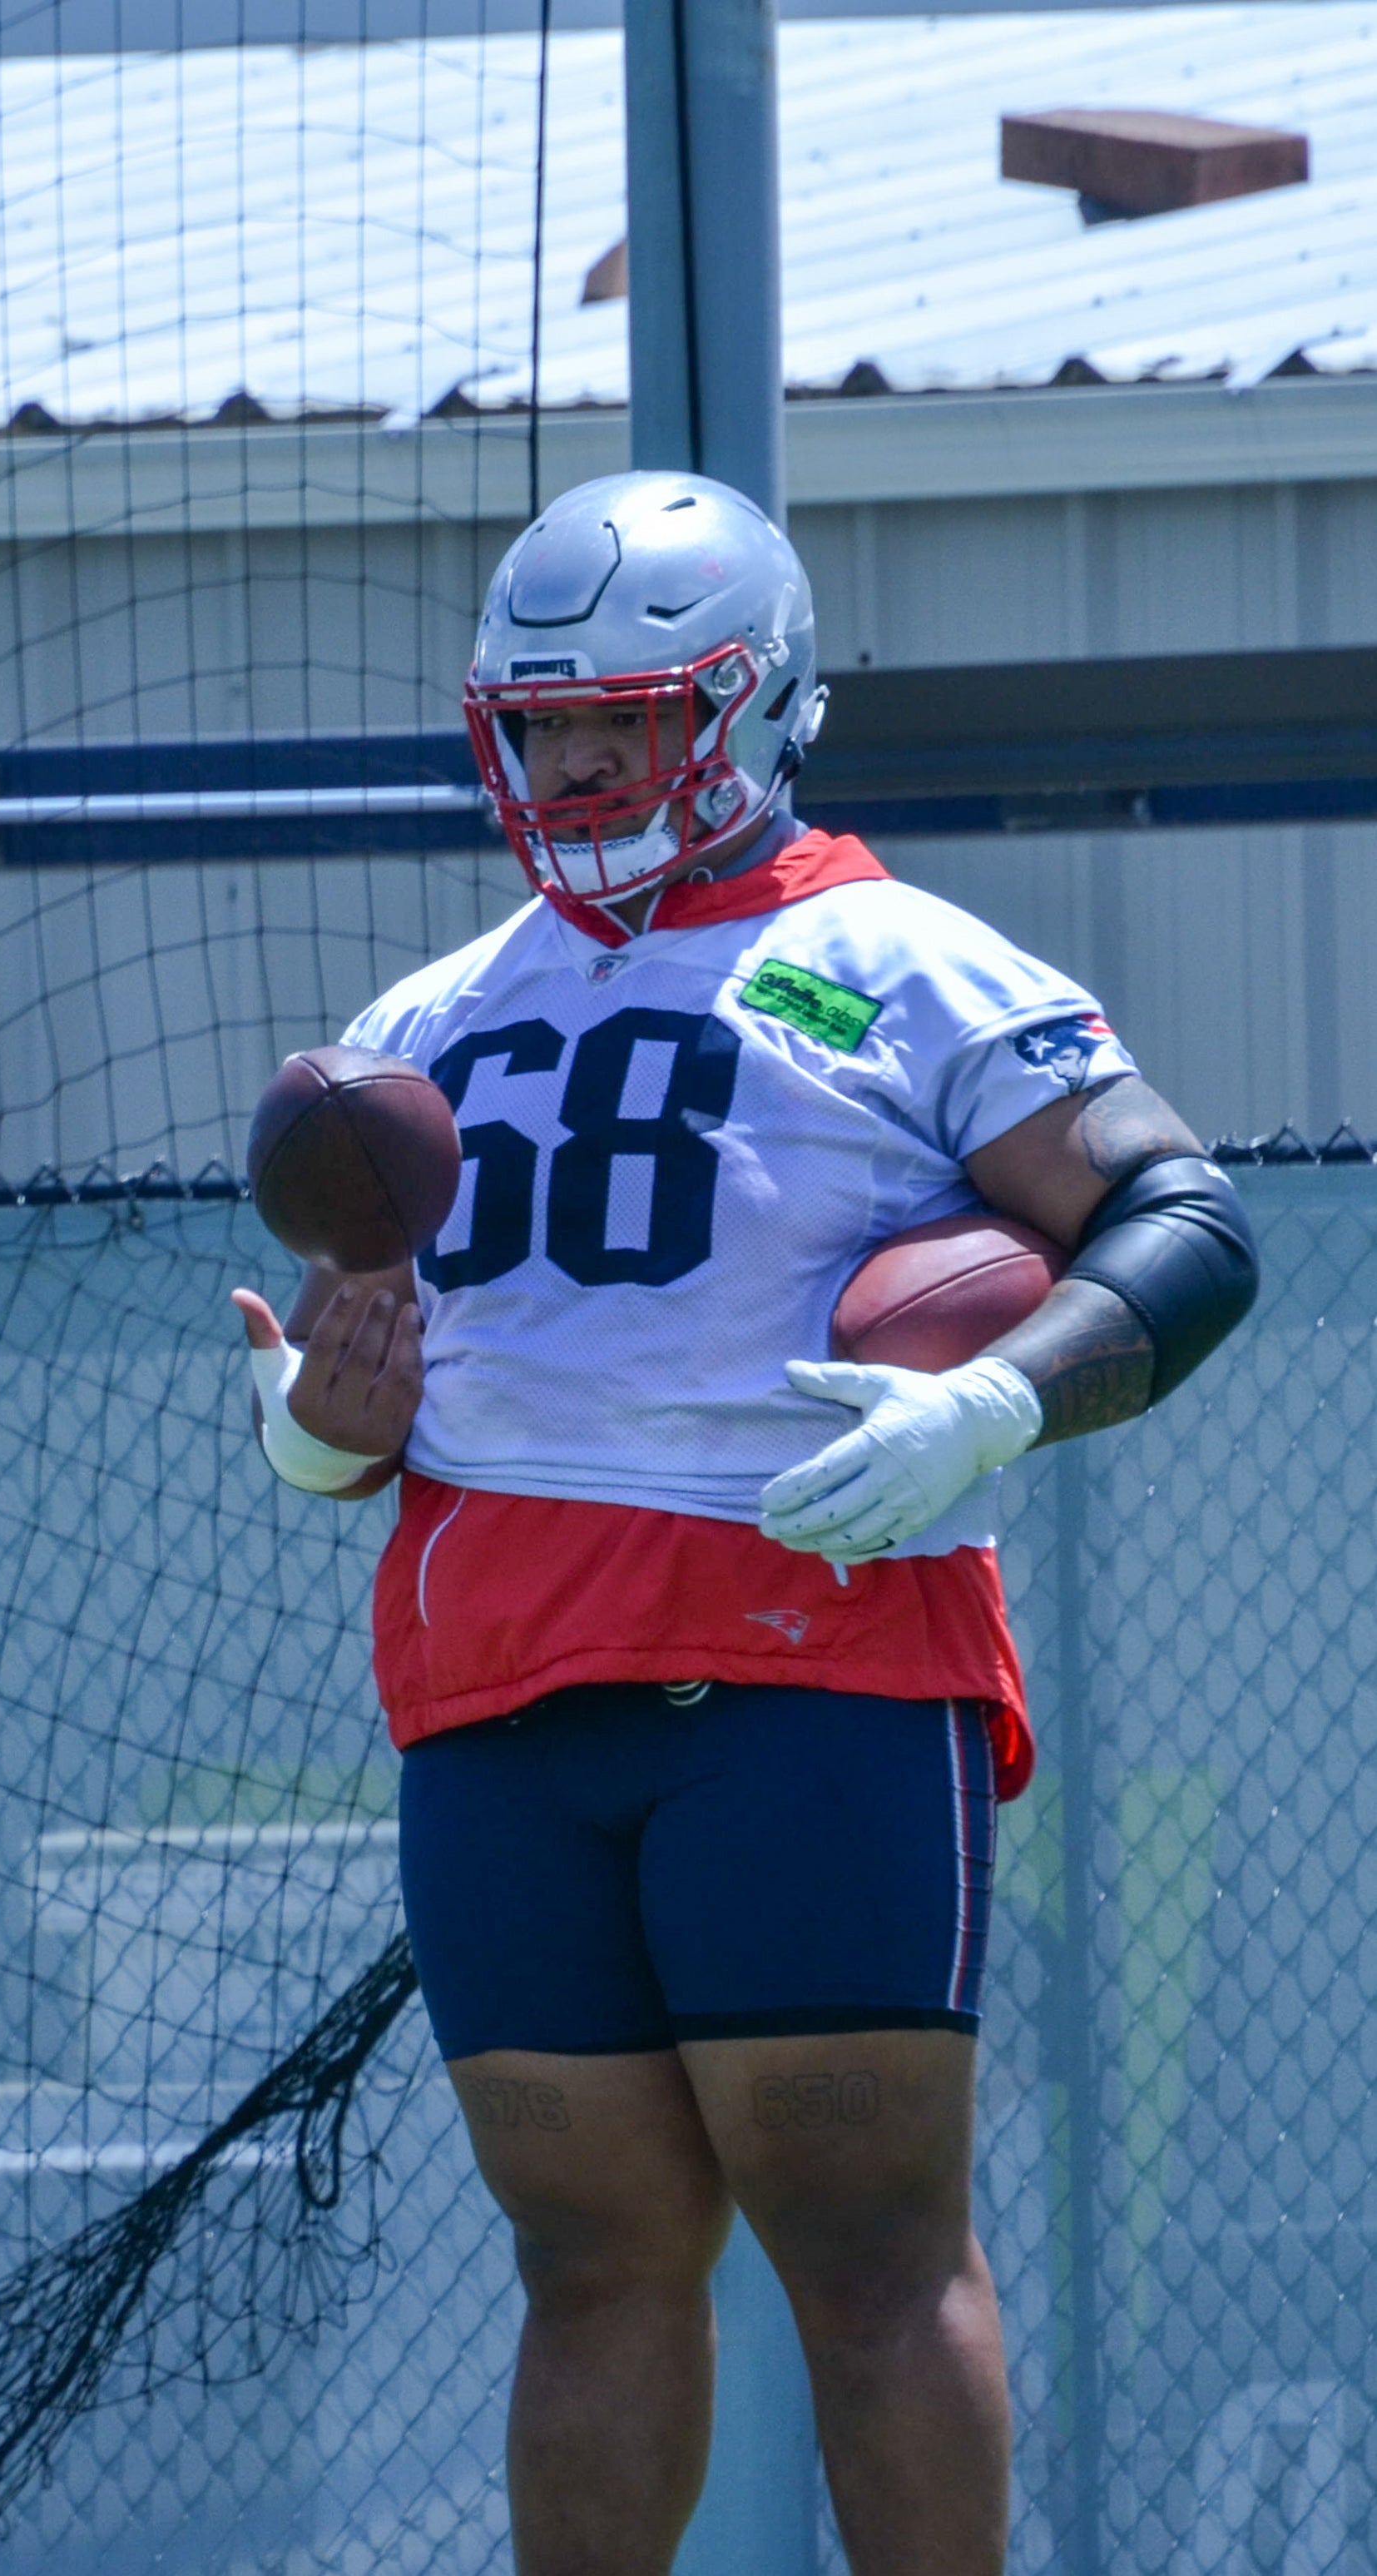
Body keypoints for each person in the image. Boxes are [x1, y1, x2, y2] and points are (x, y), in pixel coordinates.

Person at [231, 472, 1256, 2576]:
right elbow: (376, 1403)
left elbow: (1185, 1222)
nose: (573, 765)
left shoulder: (904, 961)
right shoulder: (422, 1025)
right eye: (540, 725)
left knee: (867, 2251)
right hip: (501, 1699)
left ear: (757, 703)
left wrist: (993, 1400)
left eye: (621, 719)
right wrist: (320, 1431)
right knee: (584, 2261)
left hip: (810, 1668)